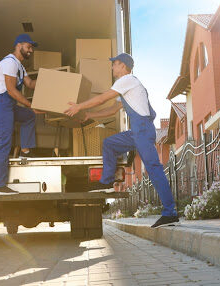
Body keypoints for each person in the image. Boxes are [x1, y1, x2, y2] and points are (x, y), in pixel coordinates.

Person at [65, 53, 178, 227]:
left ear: (123, 66)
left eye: (114, 64)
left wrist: (79, 106)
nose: (112, 67)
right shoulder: (126, 86)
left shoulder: (128, 80)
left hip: (143, 130)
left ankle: (170, 213)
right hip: (137, 132)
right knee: (109, 144)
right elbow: (112, 109)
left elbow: (103, 98)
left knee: (154, 169)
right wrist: (89, 114)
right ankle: (107, 182)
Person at [0, 34, 41, 195]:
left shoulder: (20, 66)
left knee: (29, 116)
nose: (30, 50)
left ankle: (26, 150)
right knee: (4, 142)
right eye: (28, 46)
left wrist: (51, 81)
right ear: (19, 45)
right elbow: (11, 90)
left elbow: (30, 84)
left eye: (31, 47)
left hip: (8, 105)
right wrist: (31, 105)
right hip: (1, 104)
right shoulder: (9, 63)